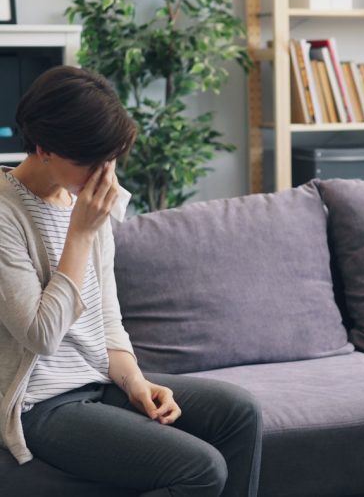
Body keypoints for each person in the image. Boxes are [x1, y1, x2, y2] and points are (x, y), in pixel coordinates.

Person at [0, 66, 263, 496]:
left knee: (240, 412)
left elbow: (107, 322)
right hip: (39, 404)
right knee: (202, 469)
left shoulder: (88, 200)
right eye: (91, 160)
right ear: (44, 147)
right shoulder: (7, 212)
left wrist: (136, 383)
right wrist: (81, 232)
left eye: (111, 158)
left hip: (99, 384)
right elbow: (41, 336)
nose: (105, 173)